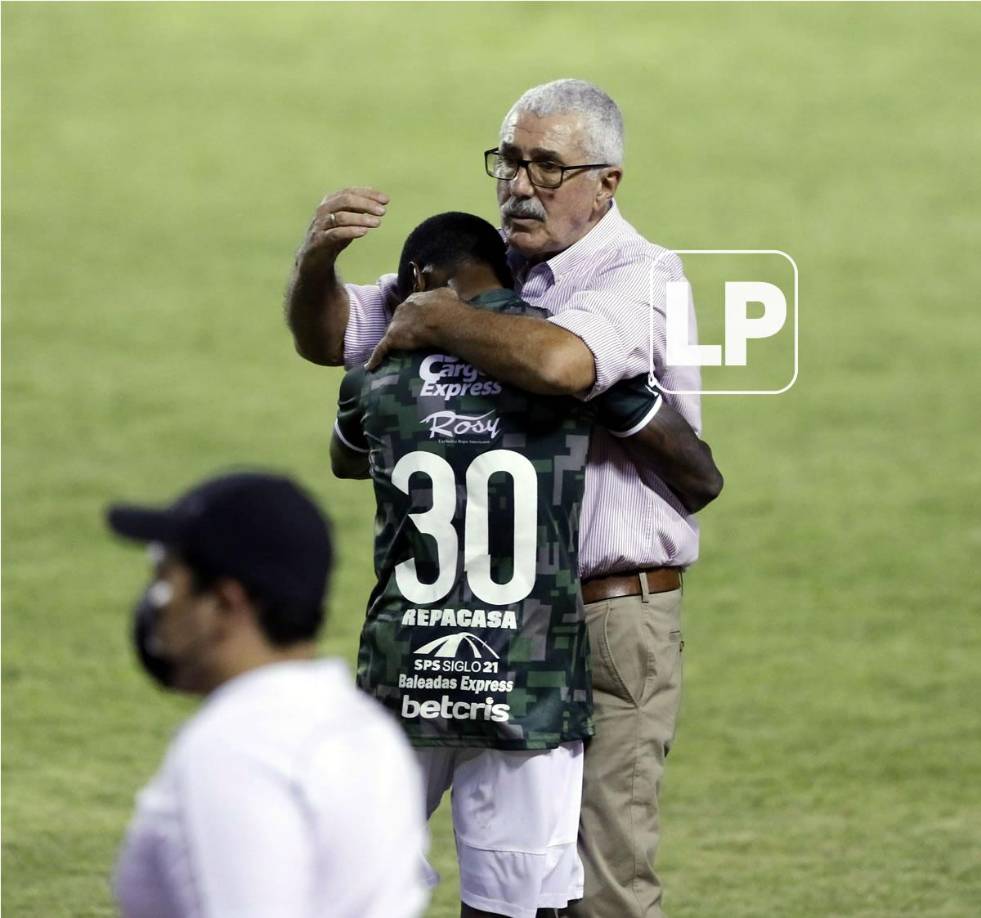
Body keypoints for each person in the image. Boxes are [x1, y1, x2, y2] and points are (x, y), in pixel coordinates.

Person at [287, 79, 712, 917]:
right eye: (509, 162)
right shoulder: (475, 264)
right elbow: (331, 337)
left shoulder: (638, 275)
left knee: (604, 887)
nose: (520, 184)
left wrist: (441, 319)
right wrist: (314, 262)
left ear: (606, 181)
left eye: (547, 167)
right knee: (488, 881)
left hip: (604, 617)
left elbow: (561, 364)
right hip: (475, 614)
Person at [105, 471, 429, 918]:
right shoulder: (367, 729)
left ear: (224, 602)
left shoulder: (237, 750)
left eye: (167, 578)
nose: (157, 603)